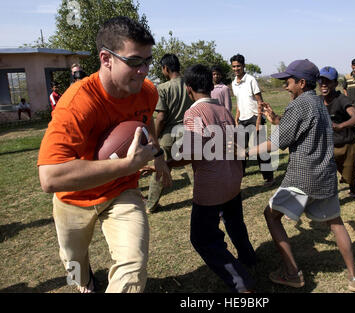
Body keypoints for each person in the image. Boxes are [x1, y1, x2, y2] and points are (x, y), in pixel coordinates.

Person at [37, 16, 172, 293]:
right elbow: (49, 177)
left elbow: (144, 121)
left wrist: (157, 153)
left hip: (121, 192)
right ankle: (83, 283)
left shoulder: (147, 91)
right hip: (73, 199)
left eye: (148, 61)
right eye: (135, 62)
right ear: (106, 58)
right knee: (73, 264)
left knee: (133, 266)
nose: (144, 70)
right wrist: (127, 165)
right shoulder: (76, 104)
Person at [251, 59, 355, 292]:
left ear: (301, 83)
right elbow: (298, 131)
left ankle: (292, 273)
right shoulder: (317, 102)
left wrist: (243, 151)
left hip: (303, 177)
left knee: (271, 216)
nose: (285, 86)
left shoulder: (299, 104)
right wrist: (275, 119)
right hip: (324, 174)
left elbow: (276, 143)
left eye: (288, 81)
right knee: (335, 222)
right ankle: (354, 277)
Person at [167, 64, 256, 293]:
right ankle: (249, 258)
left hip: (211, 187)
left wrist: (165, 163)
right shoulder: (224, 111)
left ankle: (241, 283)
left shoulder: (194, 113)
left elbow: (191, 151)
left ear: (189, 89)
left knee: (202, 238)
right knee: (235, 223)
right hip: (232, 179)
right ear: (210, 85)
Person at [146, 53, 193, 213]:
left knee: (161, 170)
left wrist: (155, 137)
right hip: (189, 132)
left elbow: (161, 117)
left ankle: (151, 205)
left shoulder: (164, 88)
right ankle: (208, 200)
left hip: (168, 136)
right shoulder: (190, 84)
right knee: (195, 169)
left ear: (165, 68)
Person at [230, 54, 274, 186]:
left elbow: (260, 101)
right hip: (242, 119)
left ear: (243, 66)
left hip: (255, 118)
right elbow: (239, 101)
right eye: (234, 66)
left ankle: (269, 177)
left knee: (261, 149)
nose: (236, 68)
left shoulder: (251, 80)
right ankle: (240, 173)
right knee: (240, 149)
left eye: (238, 66)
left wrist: (258, 120)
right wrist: (237, 117)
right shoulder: (234, 83)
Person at [319, 66, 355, 198]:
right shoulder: (317, 100)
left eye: (328, 81)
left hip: (346, 144)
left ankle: (353, 187)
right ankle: (328, 198)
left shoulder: (341, 99)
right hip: (328, 146)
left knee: (348, 175)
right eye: (321, 81)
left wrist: (340, 126)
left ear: (335, 84)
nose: (324, 84)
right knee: (326, 173)